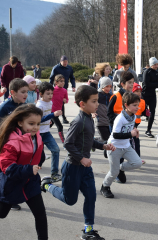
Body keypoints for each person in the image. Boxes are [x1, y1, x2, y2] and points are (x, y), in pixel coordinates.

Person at [40, 85, 115, 240]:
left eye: (97, 101)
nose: (98, 104)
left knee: (91, 196)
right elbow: (68, 143)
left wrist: (103, 146)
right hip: (73, 167)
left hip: (85, 168)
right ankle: (46, 185)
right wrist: (81, 158)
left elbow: (87, 140)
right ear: (82, 104)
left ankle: (88, 230)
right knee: (70, 200)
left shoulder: (89, 117)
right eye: (94, 101)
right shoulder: (79, 121)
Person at [0, 104, 48, 239]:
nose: (35, 127)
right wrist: (29, 169)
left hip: (30, 182)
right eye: (31, 123)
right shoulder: (12, 141)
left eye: (38, 124)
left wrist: (40, 160)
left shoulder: (36, 136)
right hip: (11, 183)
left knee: (40, 214)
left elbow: (37, 152)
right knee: (1, 212)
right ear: (20, 122)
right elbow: (7, 166)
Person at [100, 92, 142, 198]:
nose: (137, 107)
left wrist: (134, 130)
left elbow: (130, 128)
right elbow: (115, 134)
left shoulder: (133, 116)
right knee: (113, 172)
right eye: (134, 105)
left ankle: (119, 168)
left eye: (138, 104)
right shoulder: (120, 118)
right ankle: (105, 187)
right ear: (126, 105)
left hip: (126, 146)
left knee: (137, 163)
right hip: (114, 147)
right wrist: (130, 134)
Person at [107, 71, 135, 184]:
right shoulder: (115, 96)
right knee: (117, 148)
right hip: (116, 127)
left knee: (124, 148)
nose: (132, 85)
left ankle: (120, 168)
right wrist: (119, 121)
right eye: (129, 83)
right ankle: (117, 172)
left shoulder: (132, 97)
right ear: (122, 84)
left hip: (128, 128)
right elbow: (109, 113)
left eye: (133, 83)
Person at [36, 82, 63, 182]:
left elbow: (46, 117)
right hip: (37, 134)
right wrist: (52, 115)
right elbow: (38, 120)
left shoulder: (50, 103)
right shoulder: (39, 105)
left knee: (56, 150)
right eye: (48, 93)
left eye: (52, 93)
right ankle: (31, 173)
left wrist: (49, 120)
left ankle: (54, 173)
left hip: (46, 132)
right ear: (41, 94)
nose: (50, 96)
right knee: (38, 155)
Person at [49, 55, 75, 124]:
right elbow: (51, 78)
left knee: (62, 102)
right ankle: (53, 117)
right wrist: (49, 88)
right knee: (56, 103)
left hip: (64, 88)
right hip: (56, 89)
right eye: (64, 62)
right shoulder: (56, 68)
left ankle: (63, 118)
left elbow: (72, 77)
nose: (65, 63)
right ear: (60, 61)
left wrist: (73, 86)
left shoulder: (69, 68)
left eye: (66, 61)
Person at [142, 57, 158, 138]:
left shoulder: (157, 73)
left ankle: (148, 130)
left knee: (152, 113)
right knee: (141, 111)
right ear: (151, 64)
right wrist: (157, 85)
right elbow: (147, 84)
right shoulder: (147, 72)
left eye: (157, 64)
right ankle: (133, 127)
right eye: (154, 64)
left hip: (152, 95)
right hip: (145, 94)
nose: (156, 66)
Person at [50, 74, 68, 143]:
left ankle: (39, 135)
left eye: (63, 81)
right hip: (52, 111)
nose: (63, 82)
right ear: (56, 82)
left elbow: (66, 99)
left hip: (58, 111)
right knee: (60, 126)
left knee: (50, 125)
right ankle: (64, 142)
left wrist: (65, 100)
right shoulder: (53, 90)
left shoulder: (64, 90)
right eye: (61, 81)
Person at [132, 83, 148, 161]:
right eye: (136, 91)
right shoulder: (129, 101)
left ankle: (136, 158)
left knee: (135, 142)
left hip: (137, 124)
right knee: (135, 141)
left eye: (139, 91)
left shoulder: (142, 101)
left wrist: (147, 113)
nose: (138, 93)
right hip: (130, 124)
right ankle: (136, 159)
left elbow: (144, 111)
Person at [96, 77, 112, 142]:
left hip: (108, 122)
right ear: (102, 85)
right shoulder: (96, 95)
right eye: (106, 86)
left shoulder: (111, 96)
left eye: (110, 86)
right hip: (100, 122)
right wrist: (93, 112)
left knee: (108, 140)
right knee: (106, 140)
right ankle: (94, 142)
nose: (108, 88)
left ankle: (94, 141)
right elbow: (90, 105)